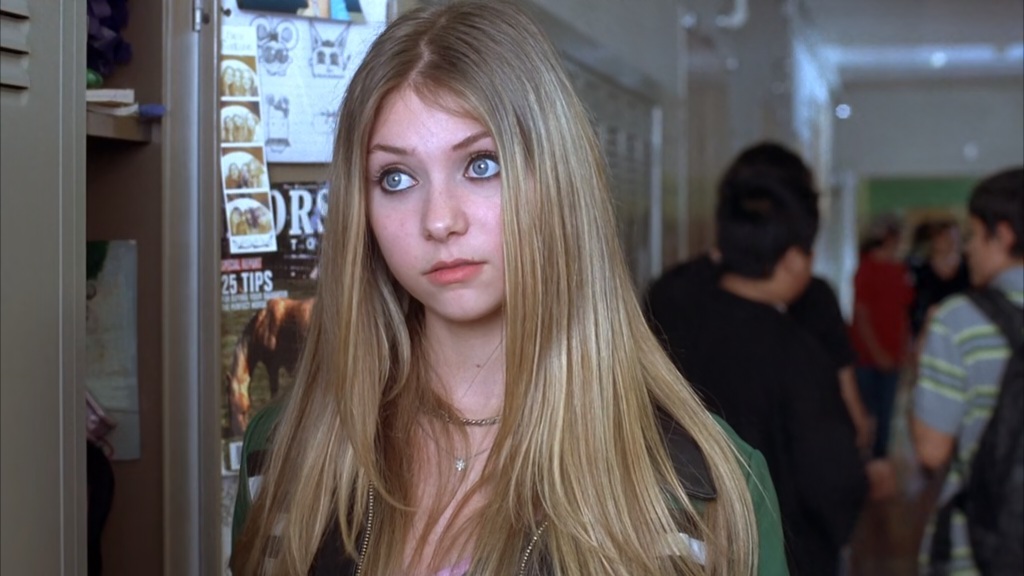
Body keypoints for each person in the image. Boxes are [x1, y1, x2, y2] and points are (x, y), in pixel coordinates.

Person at [230, 2, 788, 575]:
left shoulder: (703, 490)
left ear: (557, 179)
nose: (439, 220)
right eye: (396, 178)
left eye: (481, 165)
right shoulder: (284, 455)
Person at [646, 142, 867, 576]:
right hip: (783, 547)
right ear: (792, 258)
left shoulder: (670, 299)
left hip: (679, 534)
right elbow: (832, 478)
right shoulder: (797, 349)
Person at [912, 167, 1024, 576]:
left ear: (1003, 234)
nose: (969, 249)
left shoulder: (958, 320)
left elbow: (931, 450)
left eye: (974, 235)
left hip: (980, 543)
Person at [850, 216, 915, 459]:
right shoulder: (866, 269)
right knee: (866, 415)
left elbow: (903, 314)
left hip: (893, 356)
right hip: (866, 358)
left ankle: (880, 461)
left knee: (887, 415)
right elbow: (862, 315)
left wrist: (906, 349)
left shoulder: (900, 271)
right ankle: (864, 463)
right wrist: (877, 352)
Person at [907, 219, 970, 340]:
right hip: (927, 335)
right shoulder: (920, 272)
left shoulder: (968, 271)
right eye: (944, 236)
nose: (951, 241)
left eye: (954, 237)